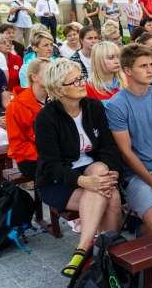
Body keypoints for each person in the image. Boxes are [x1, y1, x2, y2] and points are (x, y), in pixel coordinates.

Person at [35, 59, 122, 276]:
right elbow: (50, 165)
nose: (83, 83)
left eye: (82, 77)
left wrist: (113, 171)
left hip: (93, 171)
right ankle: (101, 252)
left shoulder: (93, 107)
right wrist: (82, 181)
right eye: (75, 81)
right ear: (58, 90)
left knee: (101, 170)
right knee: (112, 197)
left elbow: (108, 146)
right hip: (57, 182)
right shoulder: (46, 118)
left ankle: (88, 250)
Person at [103, 44, 152, 236]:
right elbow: (126, 153)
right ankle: (141, 235)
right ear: (128, 71)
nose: (150, 70)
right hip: (135, 176)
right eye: (143, 66)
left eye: (151, 64)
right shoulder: (116, 105)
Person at [6, 56, 50, 181]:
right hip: (30, 158)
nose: (53, 76)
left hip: (55, 153)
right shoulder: (16, 106)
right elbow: (17, 144)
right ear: (34, 77)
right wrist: (47, 155)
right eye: (48, 72)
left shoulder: (57, 99)